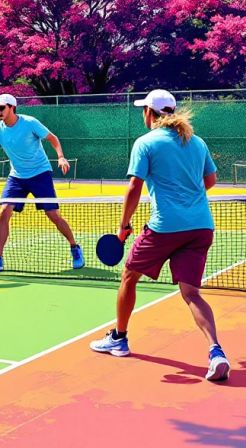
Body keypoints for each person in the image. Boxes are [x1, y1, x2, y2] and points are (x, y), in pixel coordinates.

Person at [89, 89, 230, 382]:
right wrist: (189, 202)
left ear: (149, 113)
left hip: (165, 227)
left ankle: (120, 338)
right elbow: (211, 180)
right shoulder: (196, 141)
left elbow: (134, 188)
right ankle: (216, 351)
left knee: (129, 274)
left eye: (143, 109)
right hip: (201, 227)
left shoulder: (145, 143)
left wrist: (123, 226)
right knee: (191, 294)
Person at [0, 93, 83, 273]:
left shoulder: (30, 123)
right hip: (17, 177)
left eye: (1, 108)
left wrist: (61, 157)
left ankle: (74, 247)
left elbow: (52, 138)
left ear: (12, 108)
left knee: (53, 215)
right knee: (4, 211)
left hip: (40, 174)